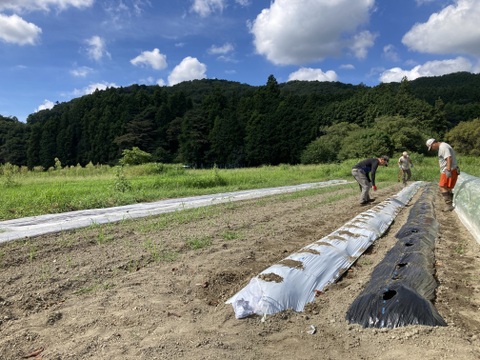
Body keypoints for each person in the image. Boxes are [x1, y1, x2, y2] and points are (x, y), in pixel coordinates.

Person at [426, 138, 459, 212]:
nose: (432, 149)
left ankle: (448, 205)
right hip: (452, 169)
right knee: (448, 187)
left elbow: (449, 158)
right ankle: (450, 204)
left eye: (431, 147)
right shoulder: (444, 146)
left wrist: (448, 170)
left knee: (442, 186)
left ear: (434, 143)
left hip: (447, 170)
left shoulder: (443, 147)